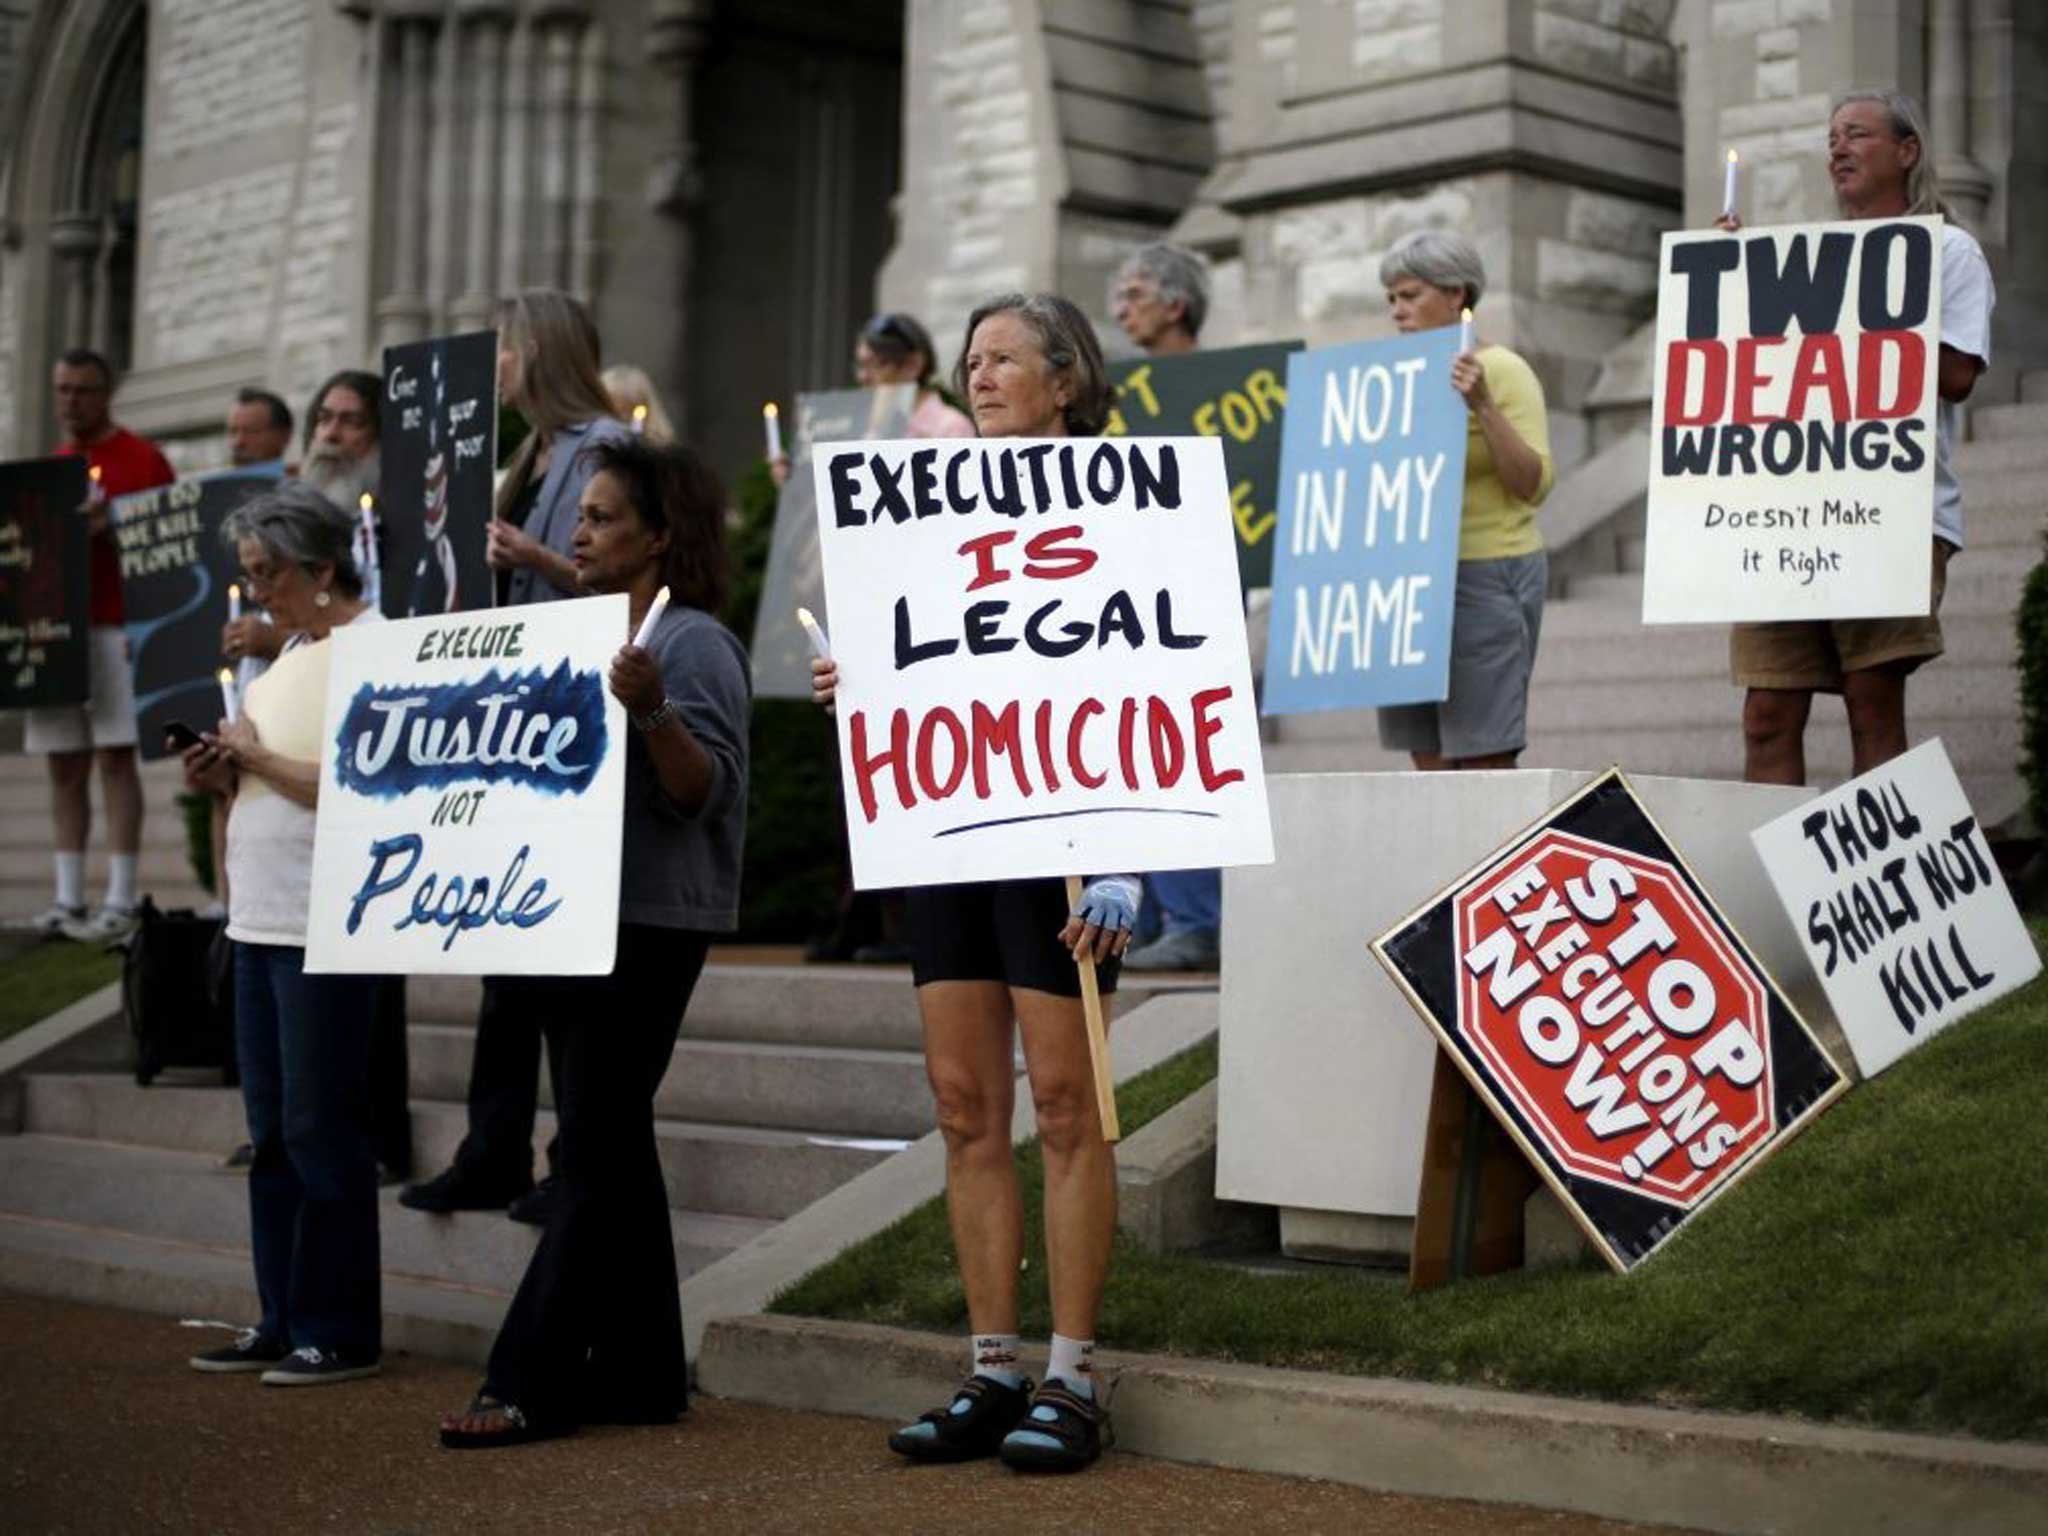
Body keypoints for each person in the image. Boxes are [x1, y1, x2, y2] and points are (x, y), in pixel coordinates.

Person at [810, 293, 1137, 1473]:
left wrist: (1125, 860)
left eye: (1005, 359)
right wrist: (867, 689)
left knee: (1063, 1102)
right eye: (971, 361)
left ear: (1065, 382)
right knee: (962, 1105)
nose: (981, 375)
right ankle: (992, 1365)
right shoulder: (925, 506)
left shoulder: (1125, 500)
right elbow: (924, 655)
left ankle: (1074, 1374)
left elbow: (1164, 663)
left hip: (1065, 841)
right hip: (945, 832)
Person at [438, 435, 748, 1448]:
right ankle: (646, 1372)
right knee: (612, 1143)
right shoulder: (565, 629)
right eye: (581, 513)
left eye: (605, 515)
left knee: (593, 1146)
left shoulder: (693, 641)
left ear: (659, 537)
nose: (578, 526)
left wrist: (649, 704)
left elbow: (701, 792)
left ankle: (527, 1375)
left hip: (650, 922)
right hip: (563, 915)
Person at [402, 288, 632, 1226]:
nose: (494, 366)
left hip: (570, 717)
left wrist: (536, 558)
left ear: (542, 351)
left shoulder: (609, 448)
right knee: (506, 965)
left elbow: (634, 574)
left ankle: (573, 1159)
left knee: (562, 965)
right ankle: (491, 1151)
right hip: (506, 712)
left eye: (506, 348)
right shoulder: (527, 453)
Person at [1723, 90, 1992, 785]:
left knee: (1872, 707)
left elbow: (1958, 374)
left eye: (1858, 134)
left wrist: (1862, 318)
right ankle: (1769, 894)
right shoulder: (1808, 260)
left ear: (1907, 151)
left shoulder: (1950, 251)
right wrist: (1732, 281)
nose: (1837, 147)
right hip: (1789, 514)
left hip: (1889, 511)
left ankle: (1875, 895)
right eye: (1832, 137)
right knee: (1767, 713)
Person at [181, 483, 385, 1386]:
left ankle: (337, 1329)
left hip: (324, 921)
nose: (257, 591)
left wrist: (253, 756)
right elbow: (266, 780)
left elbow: (362, 782)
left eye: (269, 573)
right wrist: (223, 777)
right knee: (271, 1132)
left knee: (320, 1124)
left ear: (322, 567)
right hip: (260, 915)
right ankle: (281, 1315)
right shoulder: (289, 653)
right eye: (250, 574)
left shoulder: (374, 646)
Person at [799, 311, 973, 965]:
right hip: (856, 614)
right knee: (855, 770)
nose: (864, 377)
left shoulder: (946, 428)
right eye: (861, 367)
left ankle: (905, 918)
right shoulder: (859, 425)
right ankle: (865, 910)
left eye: (876, 365)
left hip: (917, 621)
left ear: (912, 365)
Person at [1373, 230, 1555, 772]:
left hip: (1486, 574)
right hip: (1409, 581)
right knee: (1426, 761)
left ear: (1457, 295)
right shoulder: (1394, 377)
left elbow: (1534, 483)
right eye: (1391, 300)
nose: (1398, 311)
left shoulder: (1502, 370)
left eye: (1410, 295)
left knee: (1483, 760)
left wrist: (1482, 406)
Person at [28, 349, 173, 941]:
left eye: (82, 391)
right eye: (62, 390)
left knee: (116, 758)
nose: (69, 403)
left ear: (106, 393)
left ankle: (119, 895)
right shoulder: (53, 467)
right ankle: (67, 898)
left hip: (118, 625)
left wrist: (111, 526)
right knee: (63, 765)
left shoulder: (143, 459)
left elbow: (166, 545)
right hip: (57, 632)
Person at [1109, 243, 1223, 973]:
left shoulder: (1223, 395)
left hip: (1195, 605)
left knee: (1176, 755)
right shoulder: (1116, 397)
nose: (1121, 308)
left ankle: (1195, 917)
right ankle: (1152, 915)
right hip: (1127, 599)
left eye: (1135, 293)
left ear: (1176, 304)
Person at [1109, 241, 1207, 358]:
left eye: (1135, 296)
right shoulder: (1130, 374)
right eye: (1121, 298)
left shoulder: (1221, 373)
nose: (1120, 312)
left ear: (1175, 307)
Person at [602, 364, 676, 445]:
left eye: (629, 410)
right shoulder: (597, 441)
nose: (623, 418)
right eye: (614, 411)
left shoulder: (659, 445)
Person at [226, 388, 293, 468]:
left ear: (284, 436)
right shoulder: (216, 479)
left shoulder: (299, 478)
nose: (238, 442)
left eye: (251, 431)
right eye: (233, 431)